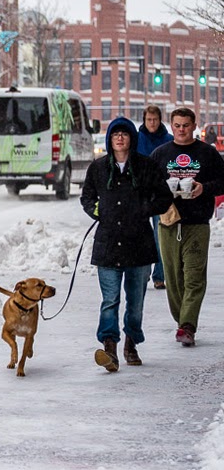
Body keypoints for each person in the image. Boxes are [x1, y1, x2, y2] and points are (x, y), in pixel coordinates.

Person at [81, 117, 173, 372]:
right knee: (109, 300)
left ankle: (131, 343)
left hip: (138, 245)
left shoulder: (146, 166)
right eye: (115, 134)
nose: (119, 138)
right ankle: (109, 347)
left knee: (135, 301)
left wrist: (144, 208)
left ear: (132, 138)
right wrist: (96, 210)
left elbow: (163, 197)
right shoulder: (99, 168)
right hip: (108, 244)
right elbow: (87, 197)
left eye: (124, 134)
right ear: (110, 140)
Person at [150, 108, 224, 347]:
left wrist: (204, 188)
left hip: (197, 224)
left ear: (194, 126)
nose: (181, 130)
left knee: (194, 277)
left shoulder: (208, 153)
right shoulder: (160, 154)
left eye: (186, 125)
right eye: (177, 125)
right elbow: (148, 186)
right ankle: (182, 320)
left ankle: (188, 325)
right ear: (171, 126)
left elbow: (222, 181)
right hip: (169, 223)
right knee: (173, 278)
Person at [138, 105, 174, 290]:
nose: (152, 123)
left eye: (155, 119)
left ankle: (159, 275)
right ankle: (142, 274)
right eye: (148, 119)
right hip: (141, 194)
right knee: (142, 236)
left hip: (161, 193)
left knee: (160, 235)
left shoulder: (168, 140)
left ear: (160, 120)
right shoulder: (137, 139)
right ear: (144, 120)